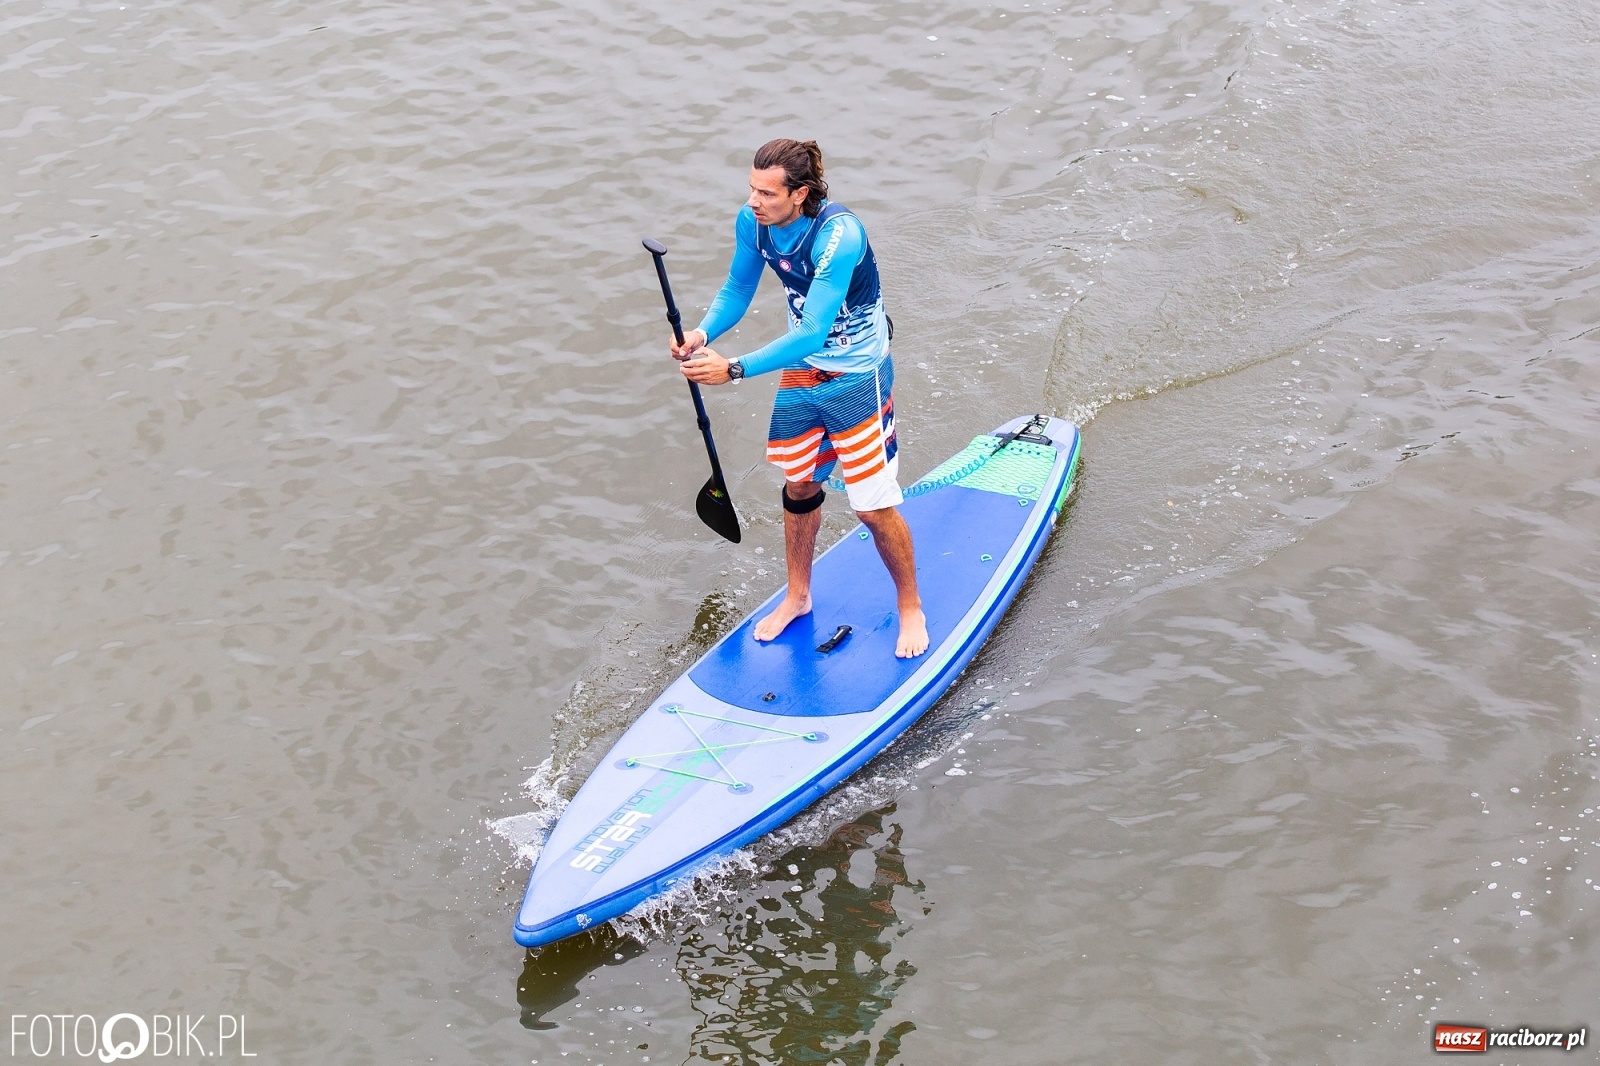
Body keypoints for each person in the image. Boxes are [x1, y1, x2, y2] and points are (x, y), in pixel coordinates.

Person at [672, 138, 928, 659]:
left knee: (872, 508)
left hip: (857, 378)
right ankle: (798, 596)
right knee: (799, 485)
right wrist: (701, 334)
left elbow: (813, 330)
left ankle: (910, 605)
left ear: (800, 193)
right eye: (750, 189)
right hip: (804, 373)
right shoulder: (754, 224)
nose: (753, 202)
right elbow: (737, 292)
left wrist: (735, 369)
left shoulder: (839, 235)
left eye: (767, 193)